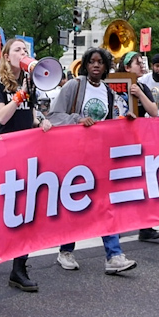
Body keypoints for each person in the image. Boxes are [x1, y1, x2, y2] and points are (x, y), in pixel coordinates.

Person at [45, 48, 138, 275]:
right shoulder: (74, 86)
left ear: (106, 67)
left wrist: (124, 122)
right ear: (86, 65)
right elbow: (54, 116)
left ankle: (114, 255)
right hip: (73, 156)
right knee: (75, 203)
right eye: (92, 62)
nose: (96, 65)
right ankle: (65, 251)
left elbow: (109, 123)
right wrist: (78, 120)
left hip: (98, 156)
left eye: (101, 62)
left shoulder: (109, 93)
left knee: (105, 203)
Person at [0, 35, 44, 291]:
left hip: (27, 151)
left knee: (26, 210)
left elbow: (28, 117)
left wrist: (41, 122)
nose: (23, 52)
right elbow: (2, 116)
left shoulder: (29, 82)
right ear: (7, 57)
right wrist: (19, 95)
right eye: (18, 49)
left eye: (26, 49)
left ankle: (18, 269)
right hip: (4, 151)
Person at [115, 51, 159, 243]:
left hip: (137, 142)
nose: (142, 66)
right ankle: (116, 225)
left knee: (142, 184)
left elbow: (154, 112)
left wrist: (139, 94)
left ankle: (145, 227)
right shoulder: (112, 84)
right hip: (115, 141)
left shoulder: (143, 86)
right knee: (118, 185)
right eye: (138, 63)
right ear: (127, 68)